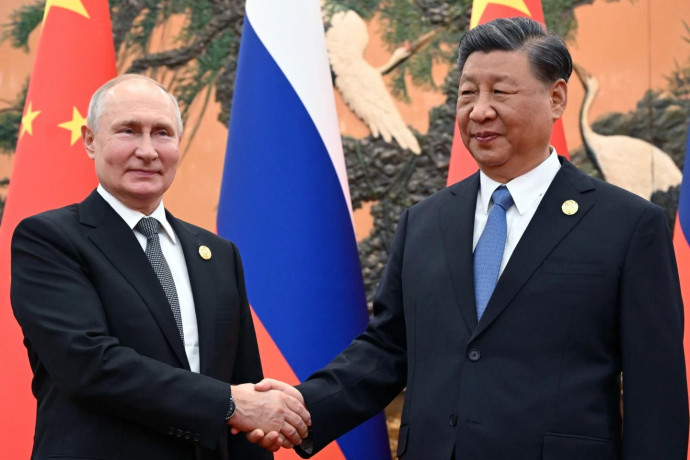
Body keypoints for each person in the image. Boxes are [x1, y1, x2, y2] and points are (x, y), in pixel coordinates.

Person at [251, 17, 689, 459]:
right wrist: (302, 407)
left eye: (500, 92)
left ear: (556, 98)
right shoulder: (424, 222)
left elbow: (656, 390)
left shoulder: (627, 225)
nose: (479, 110)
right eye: (467, 94)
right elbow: (387, 350)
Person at [10, 74, 309, 460]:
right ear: (89, 140)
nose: (148, 151)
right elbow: (89, 364)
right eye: (129, 131)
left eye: (162, 133)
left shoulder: (217, 254)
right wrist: (229, 403)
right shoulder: (49, 239)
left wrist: (251, 412)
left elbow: (244, 386)